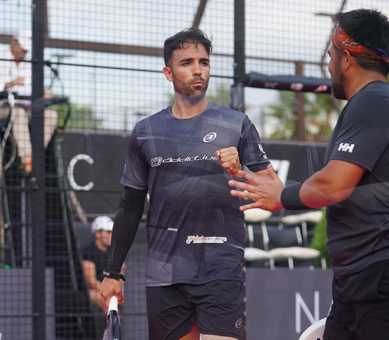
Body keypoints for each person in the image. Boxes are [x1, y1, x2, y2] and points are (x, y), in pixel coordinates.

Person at [228, 9, 389, 340]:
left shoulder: (372, 102)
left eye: (330, 55)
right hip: (369, 279)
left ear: (347, 57)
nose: (328, 65)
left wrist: (280, 196)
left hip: (383, 280)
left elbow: (334, 185)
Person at [100, 28, 273, 340]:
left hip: (220, 268)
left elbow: (273, 190)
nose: (198, 69)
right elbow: (130, 207)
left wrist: (239, 171)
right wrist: (113, 272)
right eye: (187, 62)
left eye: (204, 62)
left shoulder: (237, 124)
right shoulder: (145, 131)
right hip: (164, 275)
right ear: (168, 72)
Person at [0, 29, 58, 176]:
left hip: (25, 105)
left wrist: (41, 93)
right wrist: (9, 84)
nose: (23, 52)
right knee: (18, 112)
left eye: (26, 49)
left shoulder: (30, 63)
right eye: (22, 47)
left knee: (50, 115)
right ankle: (27, 158)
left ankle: (36, 157)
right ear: (13, 41)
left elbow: (29, 89)